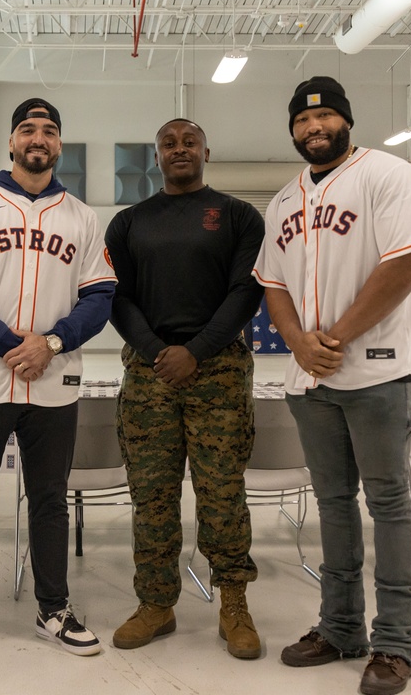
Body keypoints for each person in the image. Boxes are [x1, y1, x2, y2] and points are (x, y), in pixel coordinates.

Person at [253, 76, 411, 695]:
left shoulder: (387, 176)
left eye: (327, 117)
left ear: (347, 122)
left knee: (389, 505)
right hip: (310, 379)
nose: (315, 128)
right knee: (332, 505)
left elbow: (407, 261)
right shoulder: (283, 201)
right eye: (304, 121)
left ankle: (395, 643)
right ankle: (339, 627)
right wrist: (300, 344)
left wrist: (330, 336)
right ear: (292, 130)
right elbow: (273, 285)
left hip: (380, 370)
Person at [0, 97, 116, 668]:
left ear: (58, 146)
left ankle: (53, 610)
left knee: (51, 502)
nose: (39, 137)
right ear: (10, 143)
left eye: (50, 130)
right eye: (28, 128)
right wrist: (13, 344)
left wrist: (50, 342)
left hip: (54, 382)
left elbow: (100, 296)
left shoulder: (82, 217)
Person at [104, 118, 266, 659]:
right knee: (152, 497)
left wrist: (195, 351)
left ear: (206, 151)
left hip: (218, 372)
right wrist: (157, 352)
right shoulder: (128, 223)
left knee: (222, 495)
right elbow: (117, 298)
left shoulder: (240, 217)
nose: (179, 150)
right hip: (149, 375)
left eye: (188, 142)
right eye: (169, 144)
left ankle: (234, 604)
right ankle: (156, 603)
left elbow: (246, 293)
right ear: (156, 155)